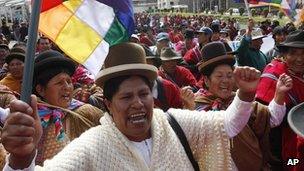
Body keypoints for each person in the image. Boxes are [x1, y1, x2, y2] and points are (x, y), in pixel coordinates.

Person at [2, 42, 261, 170]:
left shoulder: (174, 123)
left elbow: (228, 124)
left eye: (144, 94)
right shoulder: (93, 145)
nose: (138, 104)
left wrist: (246, 95)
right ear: (108, 104)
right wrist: (21, 159)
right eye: (126, 98)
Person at [195, 42, 290, 170]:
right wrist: (245, 96)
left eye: (229, 75)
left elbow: (271, 118)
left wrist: (279, 93)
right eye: (219, 76)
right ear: (206, 80)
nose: (225, 81)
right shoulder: (196, 107)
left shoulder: (239, 100)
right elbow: (222, 126)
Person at [1, 50, 103, 166]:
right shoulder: (27, 119)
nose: (67, 87)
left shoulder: (85, 113)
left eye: (69, 81)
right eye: (59, 83)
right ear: (41, 90)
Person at [256, 30, 304, 171]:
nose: (300, 59)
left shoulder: (299, 73)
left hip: (300, 143)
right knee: (293, 165)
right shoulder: (274, 75)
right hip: (282, 151)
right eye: (293, 53)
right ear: (283, 54)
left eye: (303, 53)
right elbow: (263, 117)